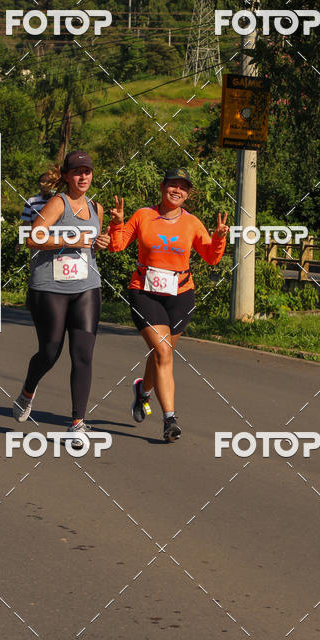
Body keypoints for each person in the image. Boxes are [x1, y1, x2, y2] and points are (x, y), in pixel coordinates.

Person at [108, 167, 229, 443]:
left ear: (188, 194)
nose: (177, 190)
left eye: (183, 187)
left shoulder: (193, 223)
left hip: (181, 295)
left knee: (161, 353)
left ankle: (143, 392)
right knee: (163, 352)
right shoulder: (143, 216)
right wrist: (117, 223)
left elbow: (211, 258)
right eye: (172, 185)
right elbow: (117, 245)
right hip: (145, 292)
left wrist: (219, 238)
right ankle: (169, 420)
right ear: (162, 187)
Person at [13, 150, 110, 445]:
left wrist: (100, 241)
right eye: (77, 172)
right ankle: (28, 391)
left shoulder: (97, 207)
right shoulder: (57, 203)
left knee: (83, 354)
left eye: (88, 171)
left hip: (86, 286)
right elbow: (33, 238)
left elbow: (91, 244)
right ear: (66, 176)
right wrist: (71, 239)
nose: (83, 176)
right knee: (50, 351)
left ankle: (77, 422)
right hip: (49, 286)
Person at [16, 173, 54, 254]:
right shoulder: (31, 201)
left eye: (48, 182)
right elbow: (26, 224)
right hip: (37, 241)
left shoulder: (57, 200)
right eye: (42, 181)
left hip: (55, 240)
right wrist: (20, 242)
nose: (45, 184)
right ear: (38, 184)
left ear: (53, 184)